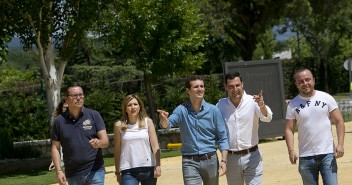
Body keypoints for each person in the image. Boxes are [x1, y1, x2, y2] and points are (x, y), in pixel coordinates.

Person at [157, 75, 229, 185]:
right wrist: (164, 120)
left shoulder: (214, 111)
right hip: (190, 162)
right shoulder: (181, 110)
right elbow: (168, 124)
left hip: (211, 160)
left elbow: (223, 137)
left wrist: (224, 161)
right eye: (196, 87)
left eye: (202, 86)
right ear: (188, 90)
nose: (200, 89)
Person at [285, 68, 345, 185]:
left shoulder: (326, 98)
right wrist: (291, 150)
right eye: (301, 81)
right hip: (306, 157)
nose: (305, 83)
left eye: (307, 80)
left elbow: (339, 122)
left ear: (313, 80)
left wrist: (341, 144)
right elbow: (289, 129)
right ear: (296, 85)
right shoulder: (293, 104)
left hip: (327, 154)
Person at [216, 72, 273, 185]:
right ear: (225, 87)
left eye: (237, 85)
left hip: (252, 156)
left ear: (242, 85)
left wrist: (262, 105)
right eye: (231, 86)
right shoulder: (220, 105)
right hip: (231, 159)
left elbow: (267, 117)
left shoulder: (254, 101)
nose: (235, 89)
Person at [51, 84, 109, 185]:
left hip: (95, 170)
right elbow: (55, 147)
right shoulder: (59, 121)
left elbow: (105, 141)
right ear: (66, 99)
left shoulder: (94, 115)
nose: (78, 98)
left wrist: (99, 142)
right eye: (74, 95)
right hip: (73, 174)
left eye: (81, 95)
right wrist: (59, 171)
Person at [114, 94, 161, 185]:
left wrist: (158, 165)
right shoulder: (119, 126)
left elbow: (155, 146)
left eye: (135, 104)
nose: (133, 107)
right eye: (129, 105)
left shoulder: (148, 122)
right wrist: (117, 172)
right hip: (128, 171)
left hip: (148, 168)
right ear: (125, 108)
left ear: (140, 106)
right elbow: (117, 151)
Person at [49, 100, 68, 171]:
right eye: (65, 108)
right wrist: (54, 161)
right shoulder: (58, 122)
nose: (67, 109)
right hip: (67, 156)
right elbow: (56, 145)